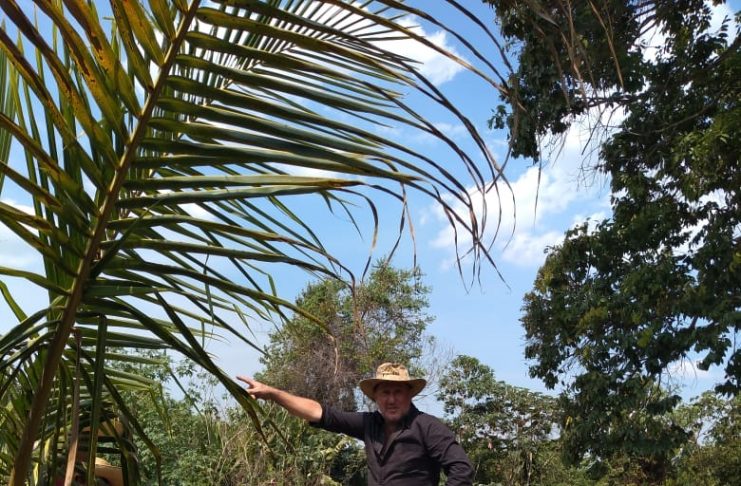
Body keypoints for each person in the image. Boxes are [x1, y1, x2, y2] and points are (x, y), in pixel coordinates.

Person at [238, 362, 474, 485]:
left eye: (398, 392)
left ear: (409, 395)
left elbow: (461, 468)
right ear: (376, 397)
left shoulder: (428, 427)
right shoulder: (369, 424)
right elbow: (319, 413)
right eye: (385, 393)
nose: (391, 400)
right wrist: (273, 393)